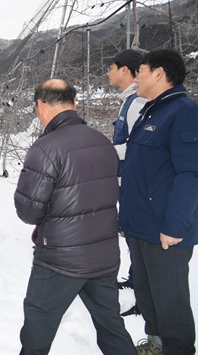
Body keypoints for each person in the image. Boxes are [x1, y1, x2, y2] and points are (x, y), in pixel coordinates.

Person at [14, 79, 135, 355]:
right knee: (111, 327)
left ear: (41, 105)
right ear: (75, 104)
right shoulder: (102, 141)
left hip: (60, 261)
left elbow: (28, 210)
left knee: (37, 331)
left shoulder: (45, 148)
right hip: (103, 256)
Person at [118, 49, 198, 355]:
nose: (135, 77)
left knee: (171, 304)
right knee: (148, 296)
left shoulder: (184, 112)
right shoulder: (152, 111)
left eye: (140, 71)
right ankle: (155, 346)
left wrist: (175, 226)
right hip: (141, 225)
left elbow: (191, 174)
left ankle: (177, 350)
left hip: (165, 231)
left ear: (159, 73)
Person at [106, 48, 145, 316]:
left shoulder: (137, 102)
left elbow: (137, 146)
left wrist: (106, 152)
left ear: (124, 70)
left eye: (111, 67)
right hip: (126, 176)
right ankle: (135, 278)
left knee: (137, 235)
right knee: (131, 234)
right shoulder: (128, 100)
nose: (108, 72)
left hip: (134, 179)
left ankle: (145, 299)